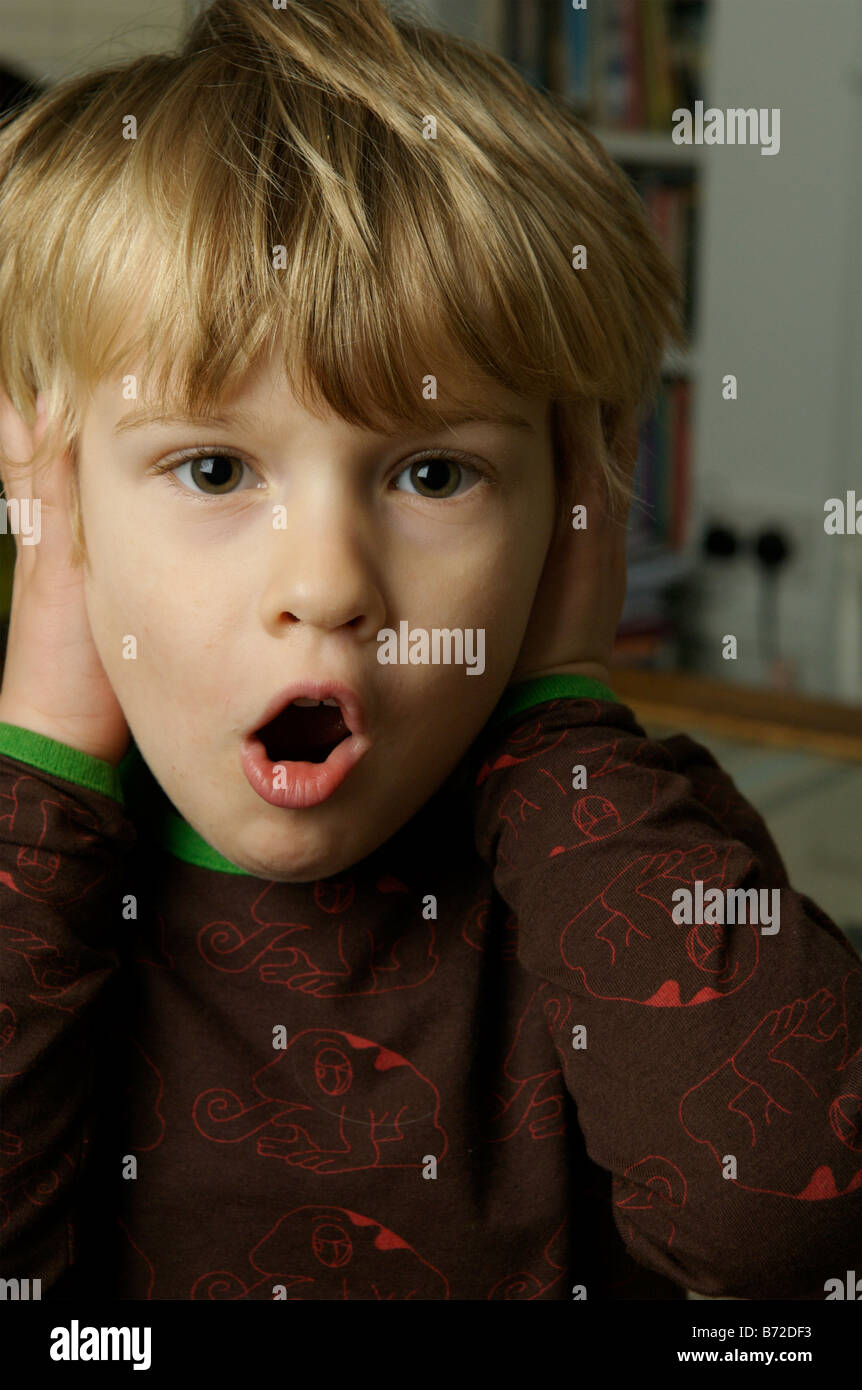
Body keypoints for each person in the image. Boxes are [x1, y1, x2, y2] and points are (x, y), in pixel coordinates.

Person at [0, 0, 858, 1301]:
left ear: (571, 508)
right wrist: (46, 763)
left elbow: (788, 1232)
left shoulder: (615, 847)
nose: (328, 582)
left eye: (435, 470)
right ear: (56, 499)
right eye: (214, 465)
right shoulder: (38, 879)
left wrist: (563, 715)